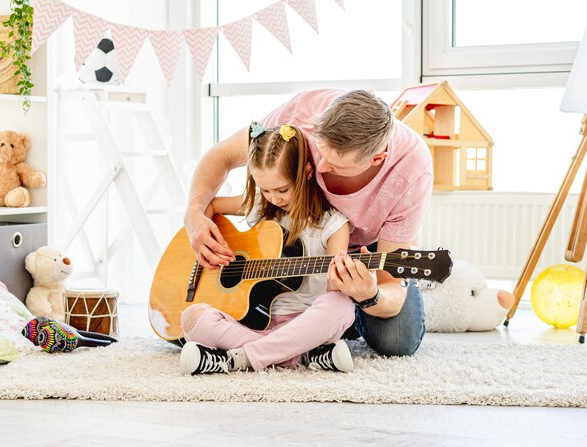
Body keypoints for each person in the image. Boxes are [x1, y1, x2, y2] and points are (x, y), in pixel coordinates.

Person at [185, 89, 433, 357]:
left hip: (366, 257)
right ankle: (300, 347)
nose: (320, 167)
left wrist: (369, 294)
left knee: (396, 341)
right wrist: (195, 214)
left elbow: (391, 288)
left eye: (336, 164)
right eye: (320, 151)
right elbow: (220, 156)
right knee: (190, 318)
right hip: (285, 248)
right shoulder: (301, 115)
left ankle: (263, 348)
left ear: (377, 159)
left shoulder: (412, 171)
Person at [179, 123, 355, 375]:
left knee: (341, 306)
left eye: (282, 189)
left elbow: (333, 291)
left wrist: (349, 281)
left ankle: (236, 359)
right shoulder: (260, 205)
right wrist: (208, 241)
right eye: (265, 189)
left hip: (304, 324)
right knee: (192, 317)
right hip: (253, 323)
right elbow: (210, 207)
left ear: (306, 173)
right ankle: (300, 356)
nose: (274, 198)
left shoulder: (333, 225)